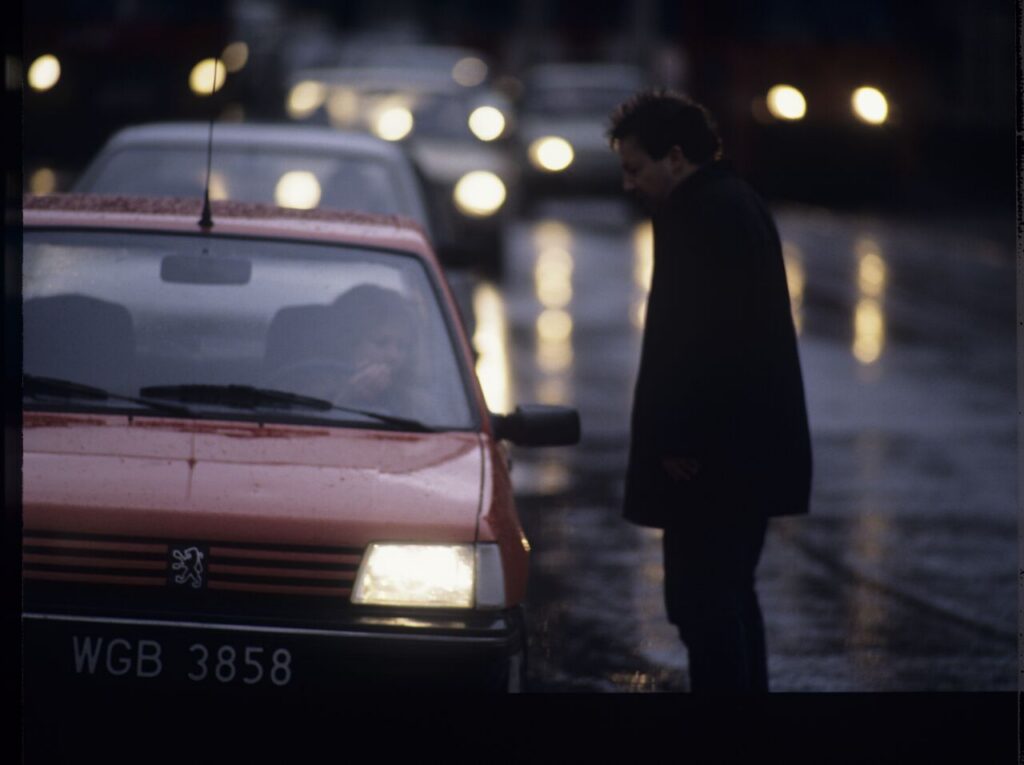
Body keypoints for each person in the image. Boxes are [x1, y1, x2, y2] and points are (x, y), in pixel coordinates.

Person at [607, 90, 812, 692]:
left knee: (704, 603)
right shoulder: (726, 203)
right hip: (736, 453)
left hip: (713, 461)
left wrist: (680, 438)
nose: (628, 184)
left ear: (675, 157)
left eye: (635, 168)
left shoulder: (706, 214)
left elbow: (708, 338)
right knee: (725, 596)